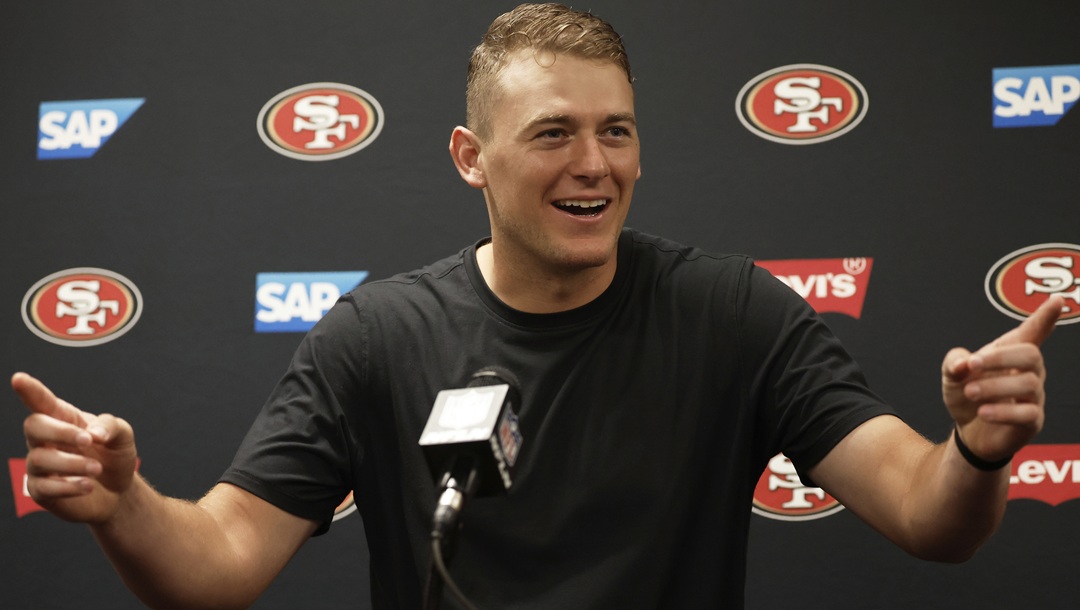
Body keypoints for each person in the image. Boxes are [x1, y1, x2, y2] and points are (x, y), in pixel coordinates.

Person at [13, 3, 1064, 608]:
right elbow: (219, 562)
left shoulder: (733, 310)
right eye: (554, 131)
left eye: (617, 131)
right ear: (473, 158)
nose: (595, 164)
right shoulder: (375, 336)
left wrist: (973, 448)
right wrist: (126, 505)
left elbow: (931, 518)